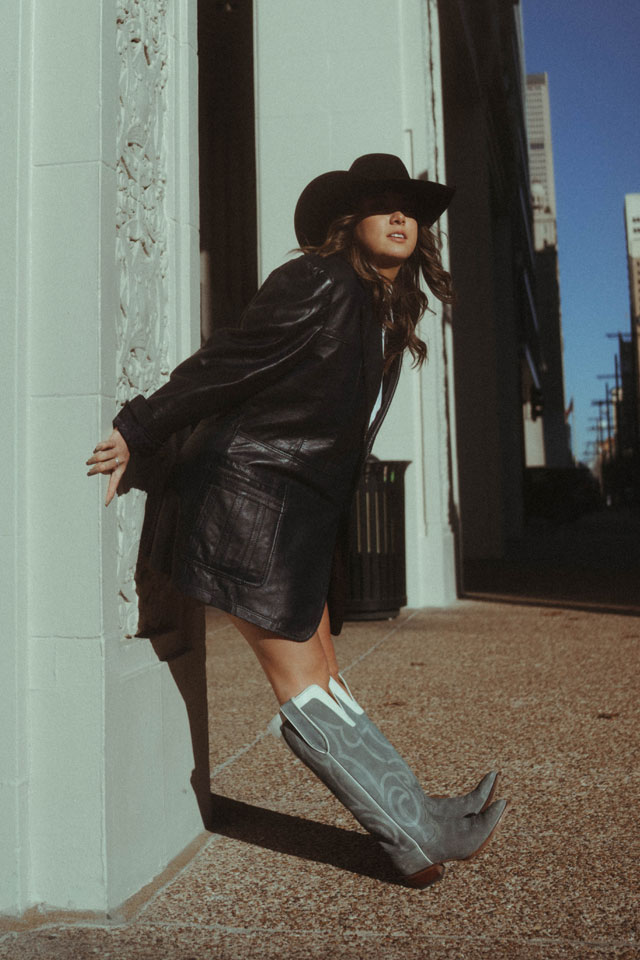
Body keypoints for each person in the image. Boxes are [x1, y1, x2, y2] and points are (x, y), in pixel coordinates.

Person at [87, 154, 506, 887]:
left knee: (326, 679)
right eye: (381, 206)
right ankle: (409, 835)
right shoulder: (318, 280)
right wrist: (139, 427)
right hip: (254, 503)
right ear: (352, 223)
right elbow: (230, 361)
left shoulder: (379, 308)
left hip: (298, 512)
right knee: (302, 688)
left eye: (407, 207)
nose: (399, 216)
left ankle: (421, 813)